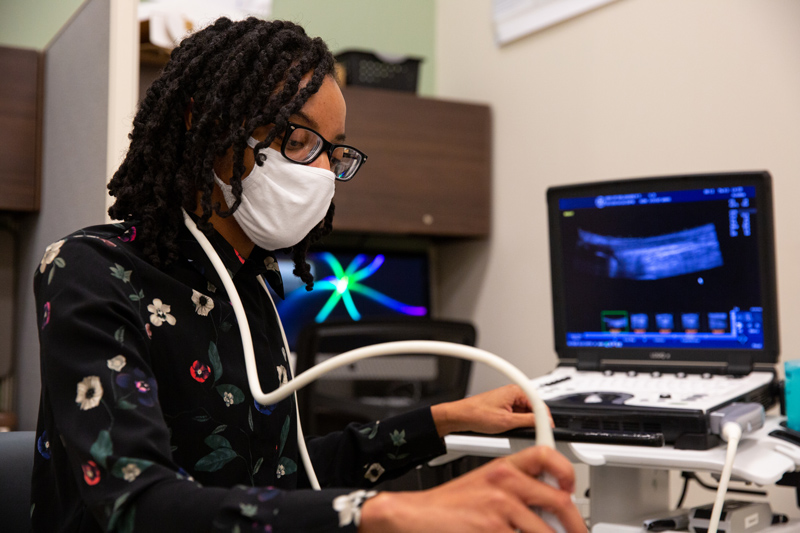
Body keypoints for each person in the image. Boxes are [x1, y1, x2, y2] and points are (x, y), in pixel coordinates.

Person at [31, 16, 586, 533]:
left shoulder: (249, 289)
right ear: (206, 123)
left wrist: (444, 420)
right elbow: (136, 504)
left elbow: (284, 475)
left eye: (335, 153)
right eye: (298, 141)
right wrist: (387, 512)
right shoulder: (91, 270)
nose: (322, 171)